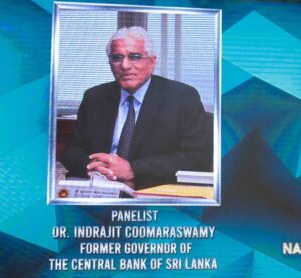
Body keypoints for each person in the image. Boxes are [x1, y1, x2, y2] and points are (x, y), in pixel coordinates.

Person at [60, 26, 213, 190]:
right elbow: (72, 151)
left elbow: (198, 157)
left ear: (152, 61)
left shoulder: (182, 97)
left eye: (135, 57)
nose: (125, 65)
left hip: (153, 189)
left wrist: (132, 169)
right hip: (101, 187)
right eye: (117, 58)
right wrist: (96, 168)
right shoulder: (94, 97)